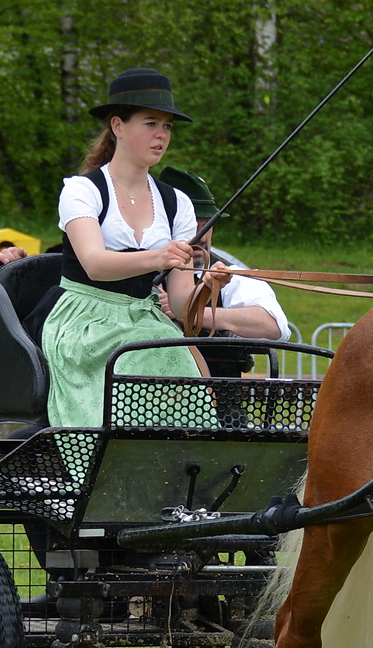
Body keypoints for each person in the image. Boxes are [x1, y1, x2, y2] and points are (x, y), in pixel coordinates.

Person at [41, 67, 209, 427]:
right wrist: (160, 256)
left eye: (167, 126)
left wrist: (207, 285)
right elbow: (95, 264)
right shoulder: (82, 190)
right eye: (150, 124)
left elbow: (181, 303)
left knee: (173, 355)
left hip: (144, 320)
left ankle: (185, 455)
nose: (161, 135)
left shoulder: (177, 203)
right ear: (117, 126)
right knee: (138, 356)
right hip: (85, 322)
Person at [156, 167, 291, 373]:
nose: (202, 236)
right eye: (192, 225)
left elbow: (275, 326)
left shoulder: (226, 273)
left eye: (207, 224)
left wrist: (193, 314)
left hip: (217, 393)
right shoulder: (134, 275)